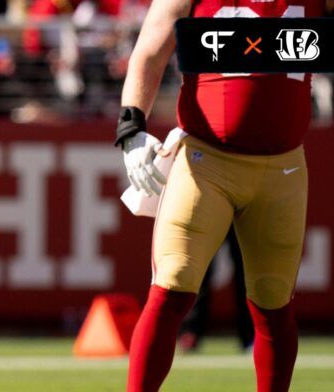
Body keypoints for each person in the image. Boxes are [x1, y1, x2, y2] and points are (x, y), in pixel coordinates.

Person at [115, 0, 324, 391]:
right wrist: (132, 124)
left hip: (283, 166)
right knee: (172, 283)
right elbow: (151, 47)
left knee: (273, 301)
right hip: (205, 159)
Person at [178, 227, 254, 353]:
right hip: (209, 210)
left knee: (245, 268)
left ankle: (250, 334)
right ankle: (191, 331)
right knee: (200, 267)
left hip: (240, 212)